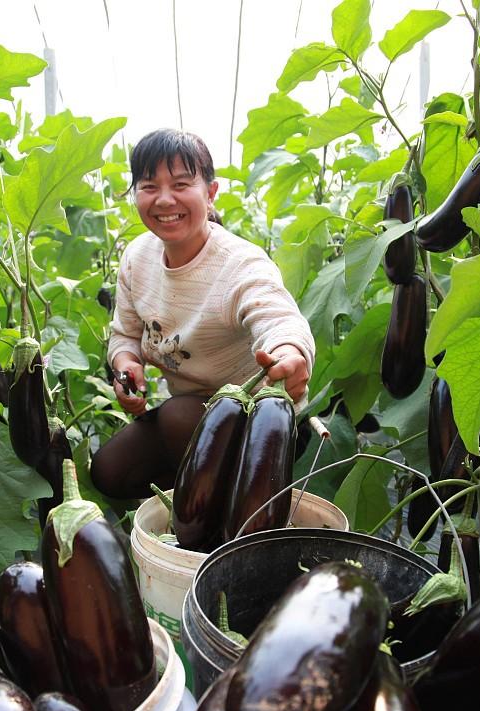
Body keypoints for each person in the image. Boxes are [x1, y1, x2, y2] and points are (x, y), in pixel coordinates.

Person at [90, 129, 316, 500]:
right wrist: (126, 363)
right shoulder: (137, 257)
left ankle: (218, 518)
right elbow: (125, 333)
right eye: (149, 186)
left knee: (181, 417)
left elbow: (278, 317)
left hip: (264, 427)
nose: (164, 199)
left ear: (210, 194)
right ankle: (198, 502)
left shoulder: (239, 263)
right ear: (135, 194)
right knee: (109, 472)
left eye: (181, 184)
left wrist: (290, 353)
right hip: (190, 418)